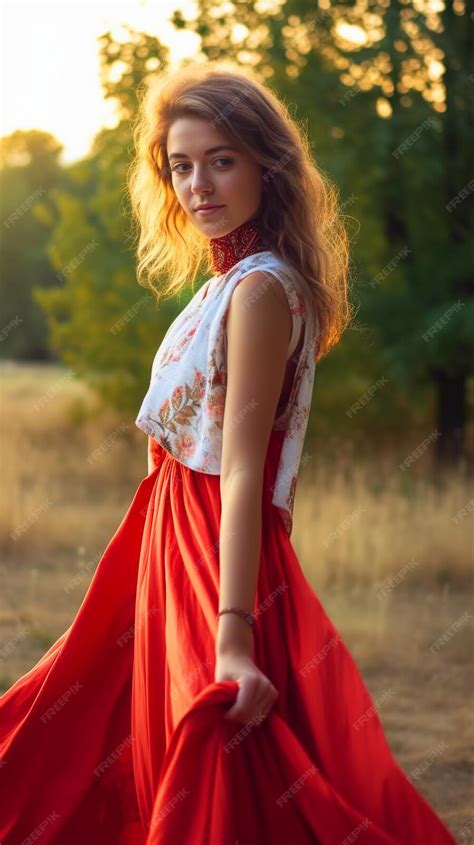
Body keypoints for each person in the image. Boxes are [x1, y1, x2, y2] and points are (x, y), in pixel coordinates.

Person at [0, 62, 458, 845]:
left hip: (211, 556)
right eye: (181, 165)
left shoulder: (260, 291)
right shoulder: (228, 285)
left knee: (215, 775)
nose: (198, 184)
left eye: (222, 159)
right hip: (167, 546)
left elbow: (243, 465)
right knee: (105, 738)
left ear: (265, 164)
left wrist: (235, 634)